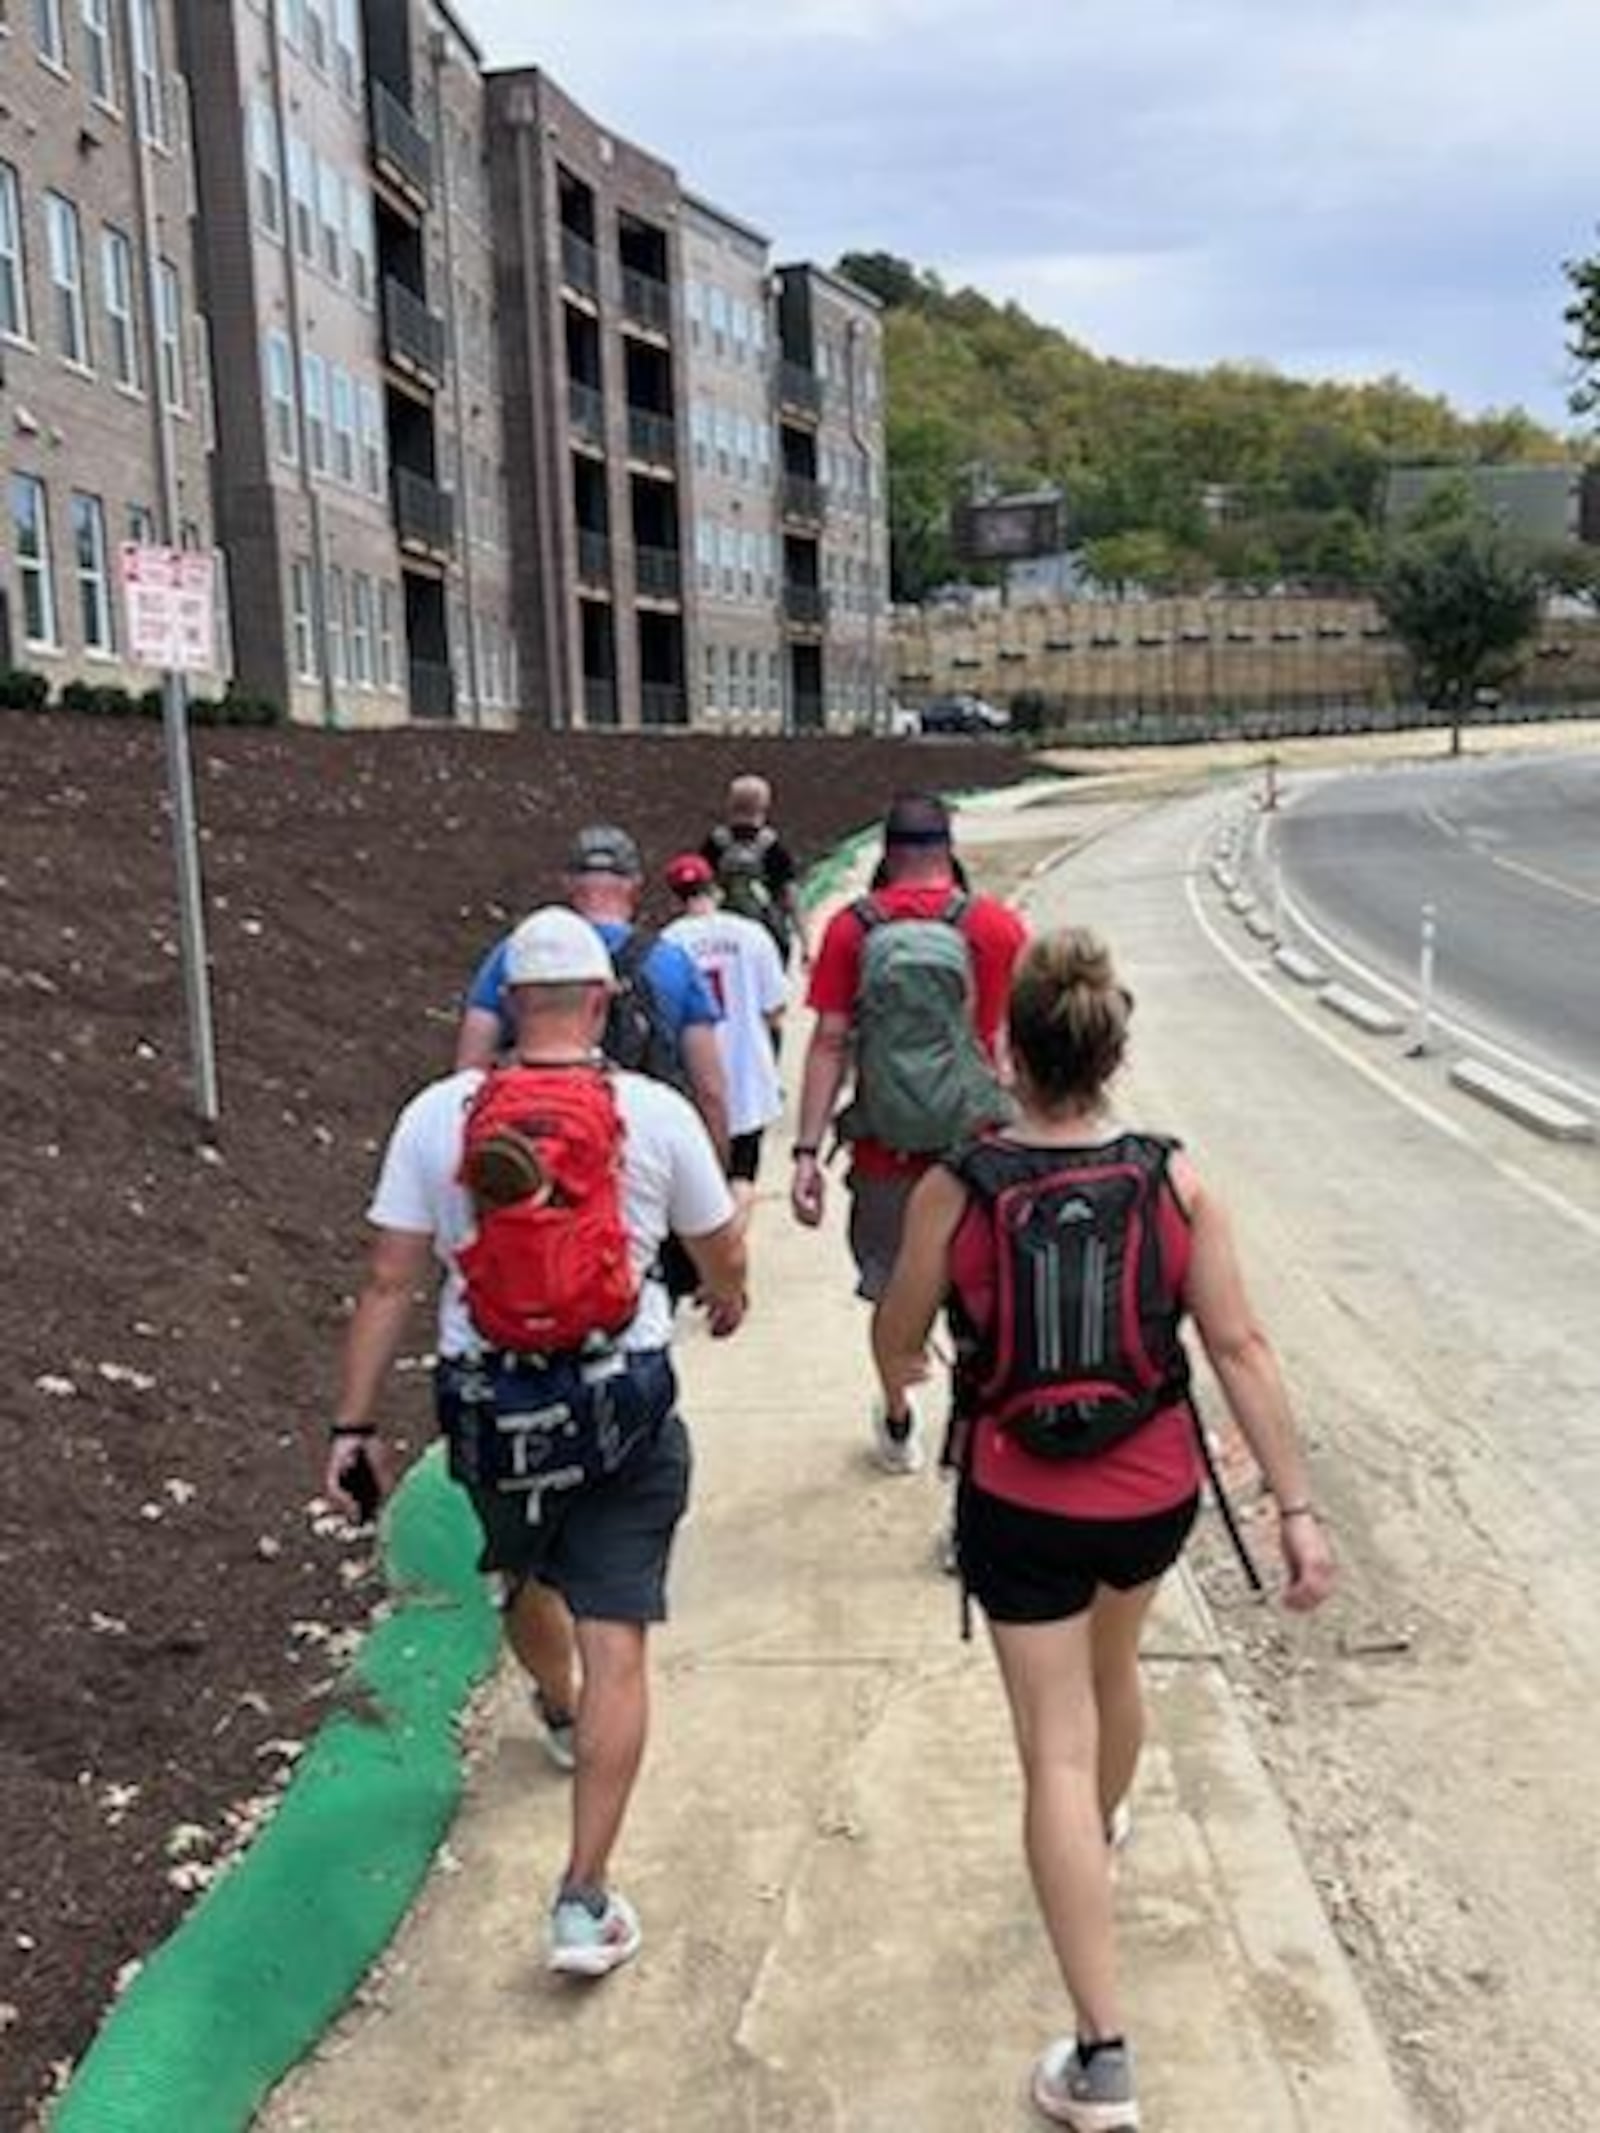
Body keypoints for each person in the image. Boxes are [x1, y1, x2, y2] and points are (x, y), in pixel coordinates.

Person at [871, 927, 1336, 2129]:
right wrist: (1293, 1511)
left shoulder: (954, 1188)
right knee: (1114, 1663)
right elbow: (1238, 1347)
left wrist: (909, 1366)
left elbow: (898, 1331)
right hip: (1151, 1493)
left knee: (1052, 1752)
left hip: (1020, 1498)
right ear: (1112, 1050)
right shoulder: (1174, 1182)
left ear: (1003, 1050)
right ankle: (1106, 1827)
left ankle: (1102, 2054)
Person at [328, 908, 748, 1979]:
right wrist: (730, 1295)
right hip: (623, 1400)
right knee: (622, 1638)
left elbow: (389, 1277)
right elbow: (718, 1249)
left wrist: (354, 1426)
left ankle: (554, 1708)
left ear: (510, 1003)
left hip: (491, 1403)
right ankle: (580, 1900)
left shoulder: (438, 1117)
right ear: (603, 1002)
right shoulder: (648, 1112)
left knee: (522, 1573)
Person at [790, 791, 1026, 1474]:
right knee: (982, 1307)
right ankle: (972, 1457)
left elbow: (829, 1043)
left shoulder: (850, 929)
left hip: (884, 1153)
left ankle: (898, 1418)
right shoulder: (996, 927)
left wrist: (807, 1152)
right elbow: (1012, 1050)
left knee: (894, 1295)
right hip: (979, 1151)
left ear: (888, 854)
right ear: (947, 851)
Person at [456, 824, 730, 1164]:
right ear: (634, 885)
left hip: (536, 1151)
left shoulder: (516, 953)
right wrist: (717, 1169)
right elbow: (711, 1089)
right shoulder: (674, 962)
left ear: (568, 883)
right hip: (641, 1147)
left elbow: (470, 1069)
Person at [661, 852, 787, 1214]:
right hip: (749, 1081)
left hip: (696, 1081)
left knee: (703, 1187)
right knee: (743, 1177)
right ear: (714, 889)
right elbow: (775, 1007)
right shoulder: (751, 934)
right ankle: (736, 1243)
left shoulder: (668, 944)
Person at [701, 774, 808, 969]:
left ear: (730, 804)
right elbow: (791, 896)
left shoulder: (714, 845)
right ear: (765, 805)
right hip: (766, 933)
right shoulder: (773, 847)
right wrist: (805, 941)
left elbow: (700, 890)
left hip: (723, 934)